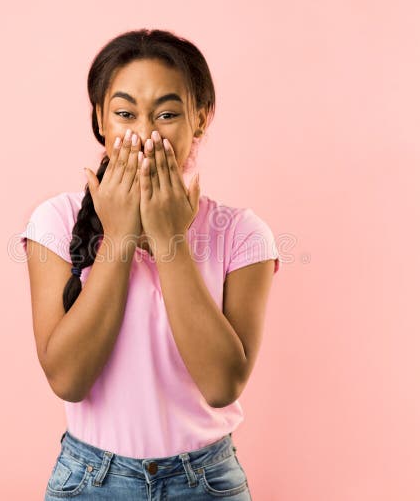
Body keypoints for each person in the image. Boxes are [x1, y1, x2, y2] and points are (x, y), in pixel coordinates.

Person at [19, 28, 281, 500]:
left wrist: (170, 240)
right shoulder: (54, 222)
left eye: (167, 114)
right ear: (100, 119)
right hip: (90, 481)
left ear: (200, 119)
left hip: (207, 482)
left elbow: (222, 384)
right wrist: (119, 238)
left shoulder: (242, 234)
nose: (144, 134)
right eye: (124, 113)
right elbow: (67, 379)